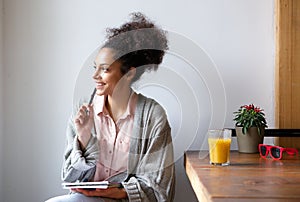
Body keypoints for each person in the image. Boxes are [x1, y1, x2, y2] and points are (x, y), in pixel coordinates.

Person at [46, 12, 175, 202]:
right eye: (94, 67)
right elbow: (68, 178)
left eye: (105, 69)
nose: (95, 76)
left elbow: (159, 187)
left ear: (129, 74)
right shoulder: (84, 114)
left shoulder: (153, 115)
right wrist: (83, 139)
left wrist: (118, 192)